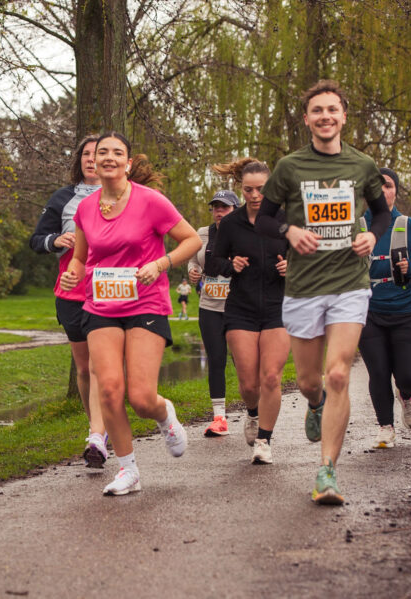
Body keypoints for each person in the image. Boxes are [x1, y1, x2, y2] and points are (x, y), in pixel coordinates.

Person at [256, 79, 392, 504]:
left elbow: (383, 214)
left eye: (332, 109)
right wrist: (289, 230)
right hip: (303, 287)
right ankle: (314, 406)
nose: (325, 116)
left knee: (338, 374)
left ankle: (326, 471)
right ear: (307, 119)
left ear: (344, 116)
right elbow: (264, 219)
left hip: (350, 282)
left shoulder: (363, 165)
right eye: (317, 110)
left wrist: (371, 235)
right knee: (310, 381)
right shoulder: (290, 167)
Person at [60, 131, 202, 496]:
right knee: (108, 390)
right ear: (91, 161)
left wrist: (161, 263)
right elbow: (80, 254)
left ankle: (163, 414)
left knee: (141, 398)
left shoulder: (151, 201)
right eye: (100, 152)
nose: (107, 157)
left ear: (127, 162)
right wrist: (75, 269)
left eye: (116, 152)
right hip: (101, 305)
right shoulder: (86, 209)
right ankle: (128, 470)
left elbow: (192, 240)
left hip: (146, 303)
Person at [29, 134, 108, 468]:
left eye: (97, 154)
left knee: (101, 365)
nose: (91, 160)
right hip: (70, 291)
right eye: (86, 155)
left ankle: (96, 434)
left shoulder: (122, 194)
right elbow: (36, 240)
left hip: (106, 291)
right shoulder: (62, 197)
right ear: (79, 161)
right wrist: (55, 239)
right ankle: (98, 432)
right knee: (84, 368)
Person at [207, 158, 290, 465]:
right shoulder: (230, 224)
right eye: (249, 190)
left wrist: (290, 267)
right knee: (249, 383)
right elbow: (213, 262)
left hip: (278, 307)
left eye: (262, 190)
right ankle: (252, 413)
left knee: (270, 377)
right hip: (240, 308)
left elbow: (307, 257)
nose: (255, 196)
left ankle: (264, 440)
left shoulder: (286, 220)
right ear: (241, 189)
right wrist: (231, 265)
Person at [358, 167, 411, 449]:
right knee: (378, 372)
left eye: (387, 185)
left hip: (406, 310)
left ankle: (407, 395)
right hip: (369, 311)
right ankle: (385, 427)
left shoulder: (408, 225)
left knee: (408, 376)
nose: (381, 191)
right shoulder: (358, 227)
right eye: (375, 186)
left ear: (395, 191)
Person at [188, 189, 240, 437]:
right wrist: (193, 272)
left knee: (244, 363)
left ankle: (255, 413)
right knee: (216, 360)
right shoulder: (202, 233)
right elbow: (193, 260)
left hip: (239, 307)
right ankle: (219, 417)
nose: (219, 211)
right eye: (216, 207)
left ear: (236, 210)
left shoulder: (245, 233)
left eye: (225, 207)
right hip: (209, 305)